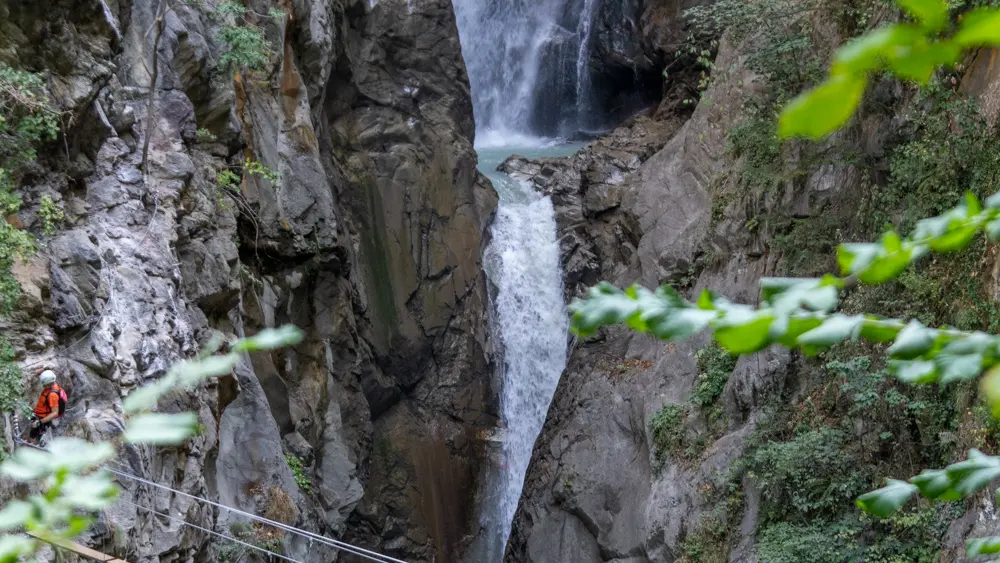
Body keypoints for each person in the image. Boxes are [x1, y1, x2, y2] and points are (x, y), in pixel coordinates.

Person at [29, 370, 66, 444]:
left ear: (48, 383)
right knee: (35, 433)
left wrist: (40, 422)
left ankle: (34, 447)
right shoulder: (53, 385)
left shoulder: (52, 395)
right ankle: (35, 443)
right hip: (40, 416)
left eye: (44, 384)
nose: (43, 386)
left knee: (34, 436)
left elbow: (55, 412)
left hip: (43, 420)